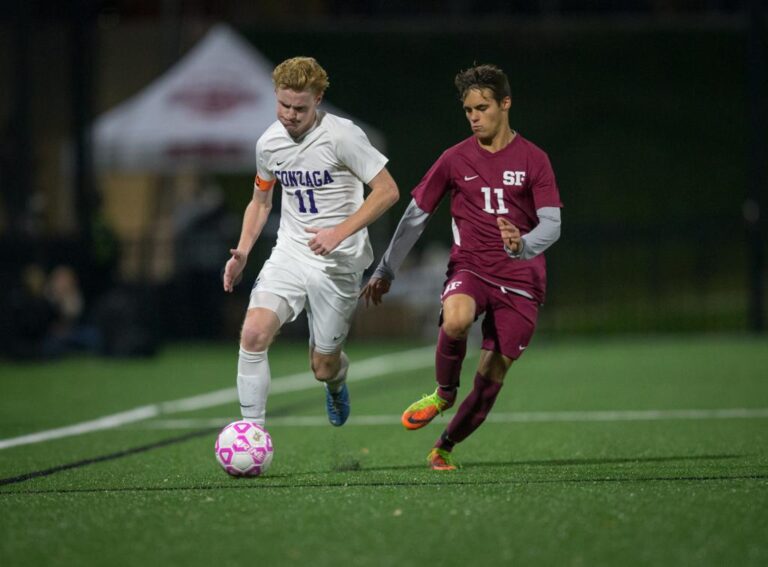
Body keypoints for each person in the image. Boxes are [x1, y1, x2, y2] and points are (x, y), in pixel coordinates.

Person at [361, 64, 562, 470]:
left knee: (492, 372)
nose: (474, 117)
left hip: (522, 279)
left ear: (505, 104)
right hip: (470, 267)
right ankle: (443, 393)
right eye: (468, 109)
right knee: (456, 320)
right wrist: (386, 268)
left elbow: (553, 225)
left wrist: (523, 244)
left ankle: (445, 445)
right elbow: (415, 216)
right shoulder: (454, 159)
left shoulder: (534, 159)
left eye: (482, 107)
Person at [223, 56, 399, 428]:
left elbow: (387, 191)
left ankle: (336, 384)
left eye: (299, 107)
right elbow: (260, 201)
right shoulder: (268, 145)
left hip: (339, 263)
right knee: (253, 333)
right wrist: (242, 251)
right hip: (290, 252)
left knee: (323, 366)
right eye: (283, 104)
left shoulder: (343, 136)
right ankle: (251, 433)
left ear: (318, 99)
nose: (289, 114)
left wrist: (339, 232)